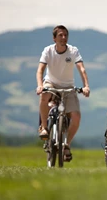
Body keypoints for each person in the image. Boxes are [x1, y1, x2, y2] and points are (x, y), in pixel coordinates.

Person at [36, 25, 90, 161]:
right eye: (60, 35)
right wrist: (40, 85)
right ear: (54, 38)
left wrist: (86, 86)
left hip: (68, 86)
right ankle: (43, 127)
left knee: (76, 117)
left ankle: (66, 144)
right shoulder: (48, 51)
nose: (64, 37)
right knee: (44, 95)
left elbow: (82, 69)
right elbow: (40, 70)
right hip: (51, 83)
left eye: (65, 35)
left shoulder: (73, 51)